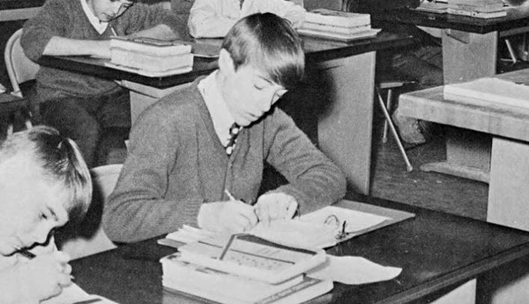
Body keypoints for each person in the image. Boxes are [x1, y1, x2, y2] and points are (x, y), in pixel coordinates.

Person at [103, 13, 347, 242]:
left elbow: (328, 175)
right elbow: (119, 217)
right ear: (227, 63)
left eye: (278, 95)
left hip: (229, 256)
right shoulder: (167, 121)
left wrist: (287, 197)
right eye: (259, 87)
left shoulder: (266, 119)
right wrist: (202, 215)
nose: (265, 105)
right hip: (166, 263)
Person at [21, 0, 187, 167]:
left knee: (163, 118)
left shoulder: (124, 10)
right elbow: (33, 41)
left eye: (124, 5)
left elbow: (175, 24)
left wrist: (129, 41)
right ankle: (80, 196)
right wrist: (103, 48)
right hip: (60, 95)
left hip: (110, 95)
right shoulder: (64, 4)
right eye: (111, 0)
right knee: (87, 131)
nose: (116, 10)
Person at [0, 126, 92, 303]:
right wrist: (23, 286)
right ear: (10, 173)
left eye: (54, 228)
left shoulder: (27, 239)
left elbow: (63, 296)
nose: (42, 237)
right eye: (43, 215)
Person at [349, 0, 450, 143]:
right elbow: (383, 3)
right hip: (388, 52)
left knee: (460, 67)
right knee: (438, 77)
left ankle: (416, 114)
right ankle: (406, 111)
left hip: (414, 44)